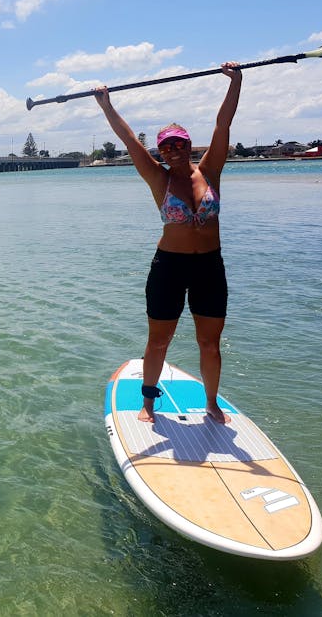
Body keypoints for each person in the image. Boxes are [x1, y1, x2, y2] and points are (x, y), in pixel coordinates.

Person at [94, 62, 242, 424]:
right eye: (166, 146)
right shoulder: (157, 179)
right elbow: (130, 140)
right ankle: (148, 403)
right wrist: (106, 105)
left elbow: (223, 125)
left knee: (210, 343)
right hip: (169, 268)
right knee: (159, 340)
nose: (173, 150)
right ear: (160, 152)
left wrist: (236, 82)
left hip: (209, 266)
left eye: (179, 143)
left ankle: (212, 403)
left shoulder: (210, 171)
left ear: (189, 145)